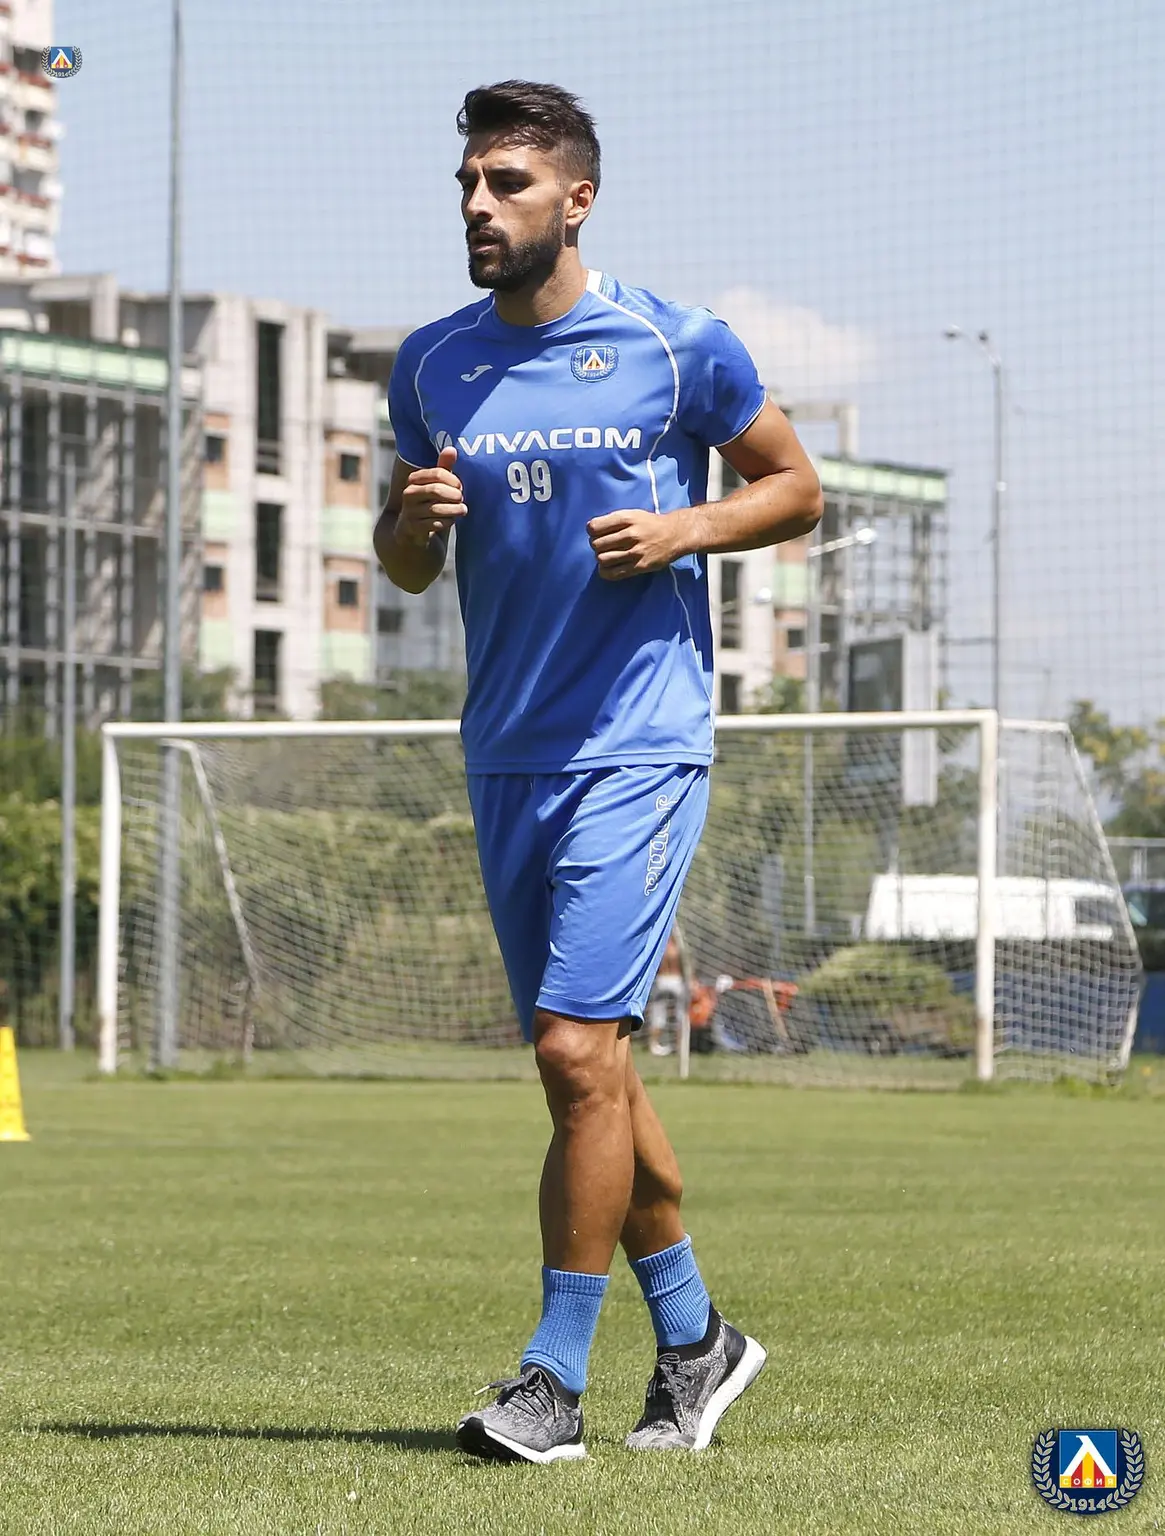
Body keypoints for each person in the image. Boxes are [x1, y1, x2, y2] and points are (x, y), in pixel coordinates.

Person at [374, 80, 822, 1464]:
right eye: (466, 182)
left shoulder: (675, 344)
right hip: (504, 751)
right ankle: (696, 1340)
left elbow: (796, 488)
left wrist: (686, 529)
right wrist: (409, 520)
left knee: (577, 1052)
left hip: (638, 742)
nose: (477, 204)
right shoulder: (430, 366)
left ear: (576, 200)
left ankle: (550, 1385)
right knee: (595, 1077)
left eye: (505, 182)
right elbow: (404, 567)